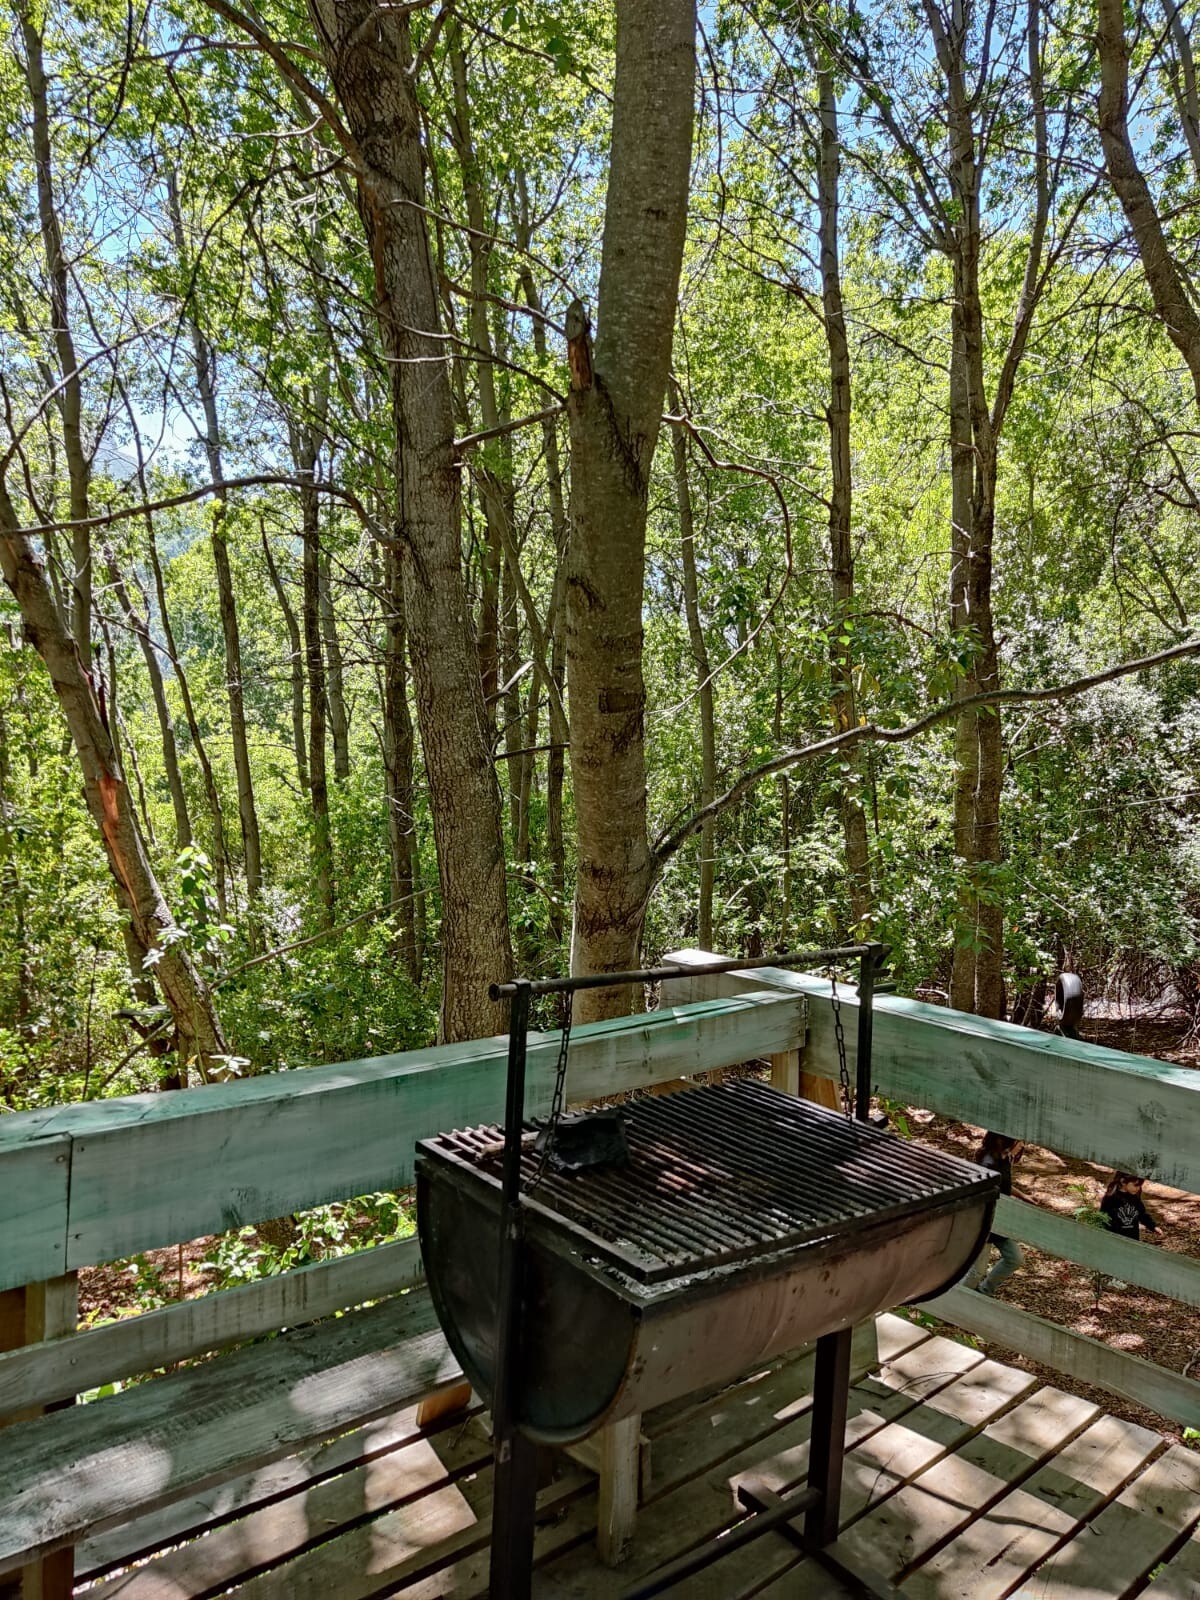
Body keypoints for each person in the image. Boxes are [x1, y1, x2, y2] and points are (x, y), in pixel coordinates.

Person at [965, 1132, 1026, 1295]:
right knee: (976, 1272)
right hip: (985, 1223)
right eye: (1018, 1141)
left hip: (1000, 1221)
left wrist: (1024, 1196)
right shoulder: (988, 1163)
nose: (1021, 1145)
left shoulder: (1005, 1159)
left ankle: (985, 1291)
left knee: (1015, 1259)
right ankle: (955, 1305)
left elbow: (1003, 1183)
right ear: (1004, 1141)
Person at [1100, 1172, 1158, 1241]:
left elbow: (1142, 1214)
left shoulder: (1135, 1197)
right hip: (1115, 1238)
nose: (1138, 1188)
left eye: (1140, 1186)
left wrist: (1153, 1226)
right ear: (1123, 1181)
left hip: (1132, 1237)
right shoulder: (1110, 1198)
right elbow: (1103, 1217)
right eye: (1135, 1185)